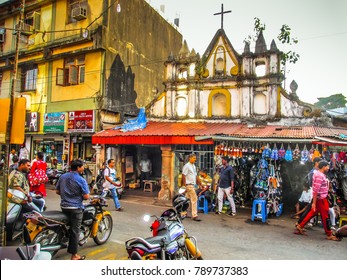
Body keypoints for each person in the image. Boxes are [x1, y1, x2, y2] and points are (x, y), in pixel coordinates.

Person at [295, 161, 340, 241]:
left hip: (321, 198)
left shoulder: (318, 174)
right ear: (323, 167)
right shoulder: (319, 175)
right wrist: (314, 203)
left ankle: (300, 226)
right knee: (325, 216)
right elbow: (316, 190)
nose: (328, 168)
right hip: (321, 199)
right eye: (327, 166)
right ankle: (329, 234)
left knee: (313, 213)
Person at [56, 159, 90, 260]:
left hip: (64, 206)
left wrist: (67, 195)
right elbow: (86, 196)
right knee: (75, 230)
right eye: (82, 166)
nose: (83, 168)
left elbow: (57, 191)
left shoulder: (63, 176)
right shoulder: (81, 180)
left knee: (68, 226)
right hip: (76, 208)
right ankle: (74, 255)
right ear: (78, 168)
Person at [181, 153, 201, 222]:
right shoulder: (187, 166)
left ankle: (184, 213)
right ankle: (194, 215)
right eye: (194, 158)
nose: (195, 159)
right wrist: (184, 186)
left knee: (186, 200)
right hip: (188, 185)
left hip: (193, 185)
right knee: (194, 199)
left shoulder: (193, 166)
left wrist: (200, 183)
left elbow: (195, 175)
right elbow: (183, 176)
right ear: (190, 158)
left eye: (195, 158)